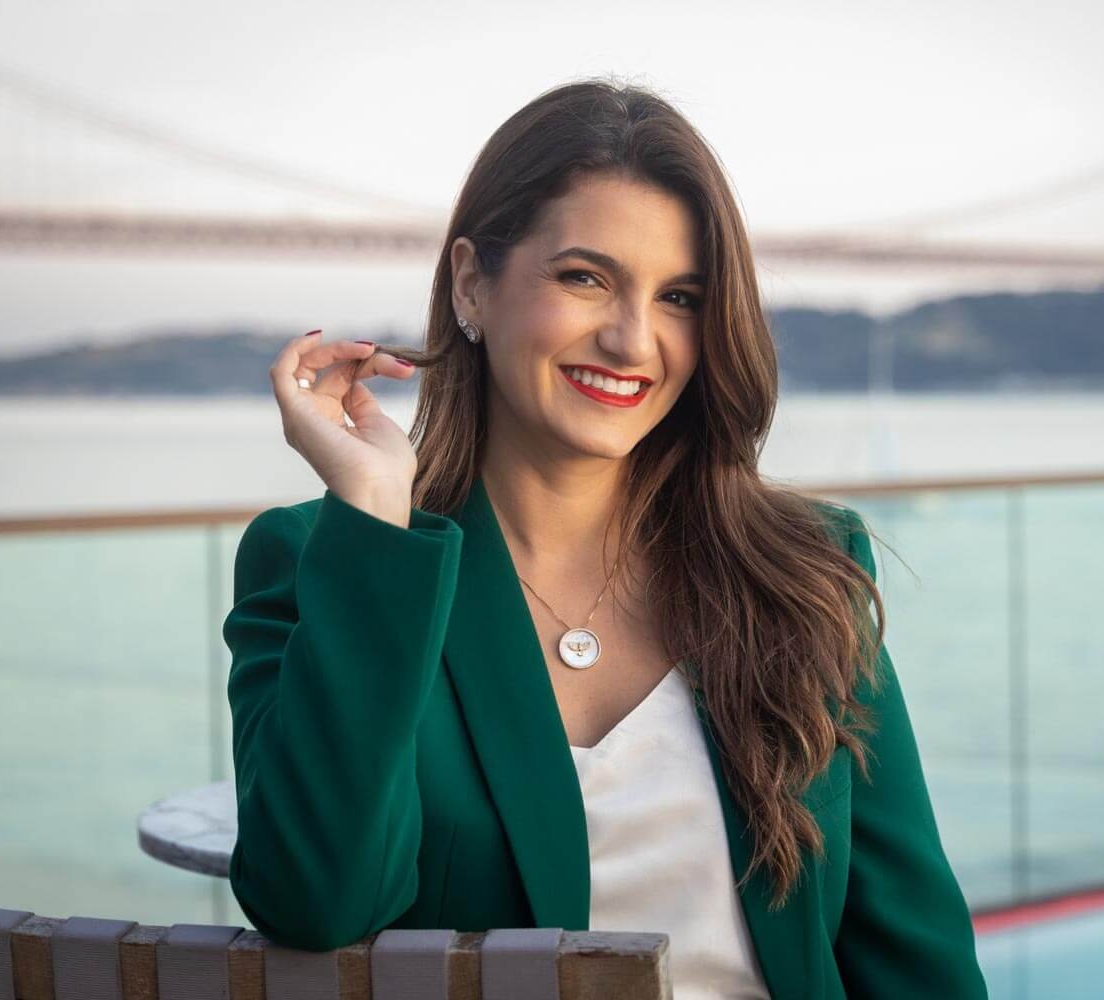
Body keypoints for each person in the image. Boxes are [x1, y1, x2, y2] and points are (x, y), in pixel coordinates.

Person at [223, 77, 988, 999]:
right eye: (585, 278)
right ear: (473, 282)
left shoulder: (806, 569)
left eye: (680, 297)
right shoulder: (329, 561)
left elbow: (914, 957)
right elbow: (316, 899)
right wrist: (378, 517)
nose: (633, 340)